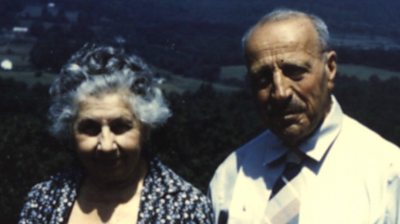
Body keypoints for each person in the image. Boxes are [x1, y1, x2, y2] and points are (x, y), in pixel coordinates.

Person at [209, 9, 400, 224]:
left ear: (330, 68)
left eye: (294, 71)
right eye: (263, 78)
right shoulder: (230, 175)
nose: (280, 92)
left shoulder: (388, 174)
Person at [19, 45, 214, 223]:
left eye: (120, 127)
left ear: (145, 128)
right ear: (69, 131)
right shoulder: (44, 199)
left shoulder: (186, 208)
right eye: (90, 128)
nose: (106, 145)